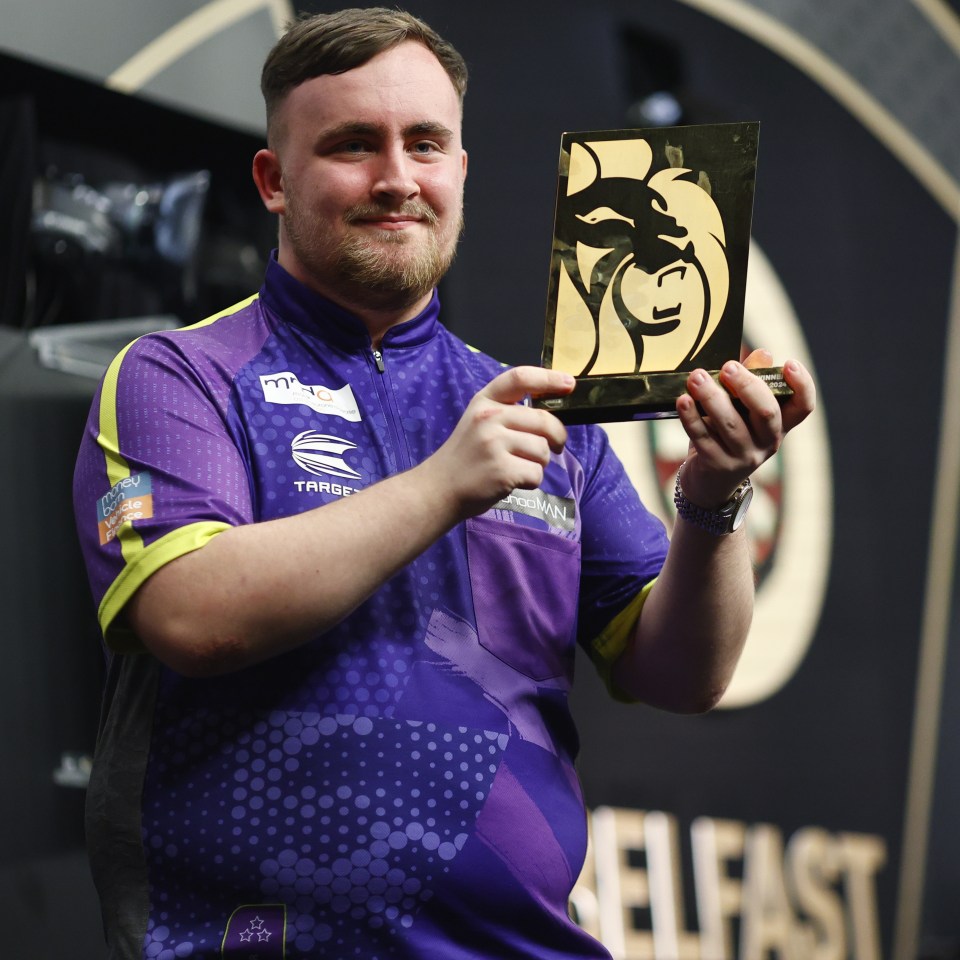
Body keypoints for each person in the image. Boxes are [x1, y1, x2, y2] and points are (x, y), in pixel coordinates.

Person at [73, 8, 815, 959]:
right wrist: (442, 487)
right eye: (352, 145)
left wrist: (714, 498)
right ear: (273, 180)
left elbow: (682, 673)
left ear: (460, 170)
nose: (397, 179)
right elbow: (191, 616)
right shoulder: (182, 376)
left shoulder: (548, 414)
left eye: (426, 143)